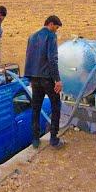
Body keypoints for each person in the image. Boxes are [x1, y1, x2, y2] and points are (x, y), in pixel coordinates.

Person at [24, 15, 65, 150]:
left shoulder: (32, 36)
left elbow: (28, 57)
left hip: (34, 78)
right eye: (56, 27)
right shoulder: (50, 36)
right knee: (56, 105)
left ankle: (35, 139)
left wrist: (29, 77)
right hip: (47, 78)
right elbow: (52, 59)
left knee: (35, 108)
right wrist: (57, 80)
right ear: (51, 24)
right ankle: (53, 138)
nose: (56, 31)